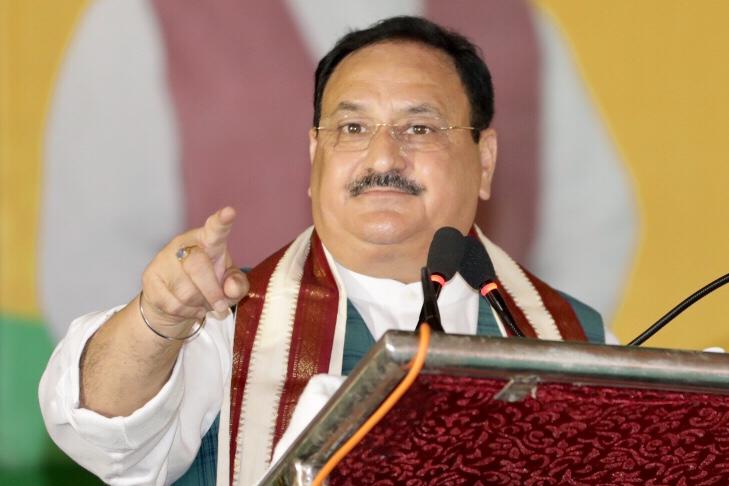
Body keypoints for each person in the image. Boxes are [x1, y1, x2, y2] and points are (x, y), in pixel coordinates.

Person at [39, 16, 605, 486]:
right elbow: (103, 432)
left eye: (420, 128)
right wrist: (157, 320)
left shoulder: (570, 336)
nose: (383, 158)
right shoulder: (224, 323)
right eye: (353, 126)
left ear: (484, 160)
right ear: (314, 155)